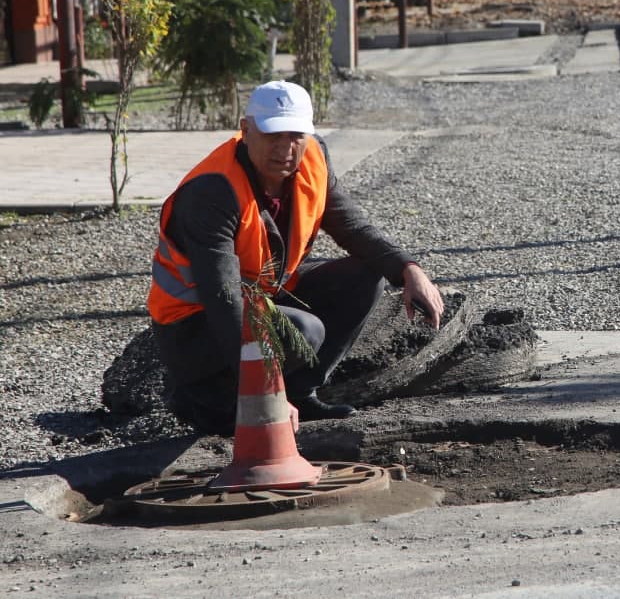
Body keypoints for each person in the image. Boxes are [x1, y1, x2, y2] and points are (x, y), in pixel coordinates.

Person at [146, 80, 445, 436]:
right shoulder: (211, 192)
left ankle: (300, 395)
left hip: (261, 300)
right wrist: (266, 395)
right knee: (302, 331)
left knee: (367, 274)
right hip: (194, 330)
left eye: (296, 135)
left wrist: (408, 269)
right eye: (273, 134)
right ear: (245, 130)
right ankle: (215, 403)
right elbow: (224, 302)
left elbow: (351, 225)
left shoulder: (313, 158)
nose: (285, 148)